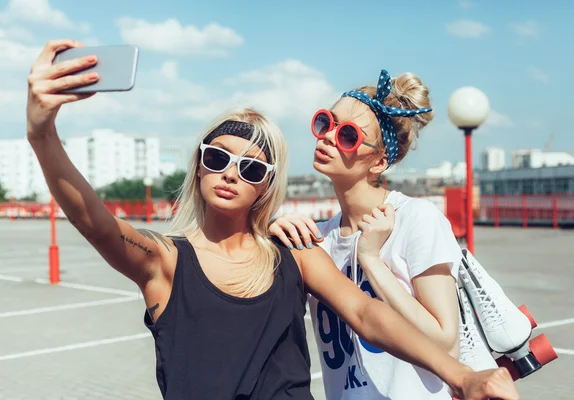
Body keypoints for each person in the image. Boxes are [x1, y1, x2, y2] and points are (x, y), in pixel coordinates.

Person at [26, 39, 519, 400]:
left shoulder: (297, 255)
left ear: (267, 184)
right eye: (217, 158)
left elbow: (368, 316)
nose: (230, 174)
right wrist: (42, 134)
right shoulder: (166, 261)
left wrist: (464, 377)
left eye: (252, 167)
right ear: (198, 164)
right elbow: (95, 222)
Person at [269, 69, 471, 399]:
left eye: (348, 135)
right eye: (326, 122)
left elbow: (446, 346)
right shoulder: (316, 238)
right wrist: (267, 233)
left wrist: (371, 260)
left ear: (378, 162)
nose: (329, 137)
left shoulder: (415, 219)